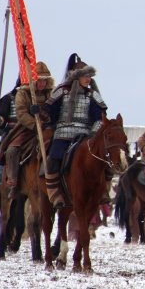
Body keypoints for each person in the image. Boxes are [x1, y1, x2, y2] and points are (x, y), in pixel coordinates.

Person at [41, 58, 106, 208]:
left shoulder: (92, 95)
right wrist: (41, 112)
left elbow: (100, 118)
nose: (88, 80)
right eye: (85, 76)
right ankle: (54, 193)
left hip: (85, 136)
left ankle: (103, 191)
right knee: (53, 160)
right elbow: (49, 111)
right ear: (76, 76)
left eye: (90, 76)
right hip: (63, 133)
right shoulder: (62, 91)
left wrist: (93, 134)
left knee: (103, 160)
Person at [0, 62, 54, 199]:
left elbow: (54, 111)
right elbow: (21, 114)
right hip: (28, 128)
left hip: (47, 128)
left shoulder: (51, 94)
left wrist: (46, 118)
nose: (42, 84)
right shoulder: (22, 93)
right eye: (39, 80)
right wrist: (35, 124)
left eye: (44, 81)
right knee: (12, 150)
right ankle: (13, 180)